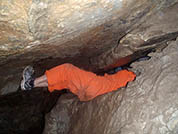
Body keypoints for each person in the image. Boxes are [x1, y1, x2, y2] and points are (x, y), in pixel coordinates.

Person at [21, 63, 136, 101]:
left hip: (95, 85)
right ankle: (32, 85)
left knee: (67, 69)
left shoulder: (131, 74)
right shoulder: (117, 82)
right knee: (65, 82)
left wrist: (131, 71)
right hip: (86, 94)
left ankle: (32, 82)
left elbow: (130, 75)